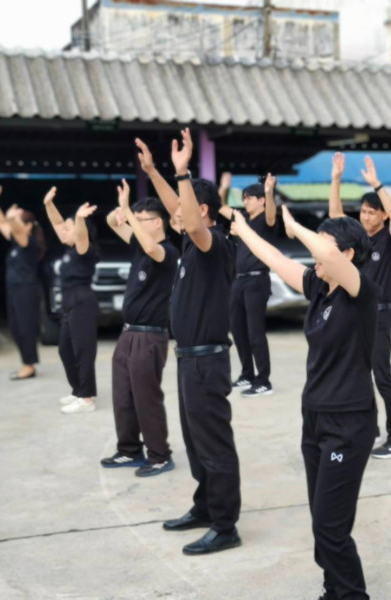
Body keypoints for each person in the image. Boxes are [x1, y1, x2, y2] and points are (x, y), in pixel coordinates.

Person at [232, 204, 376, 600]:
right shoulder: (318, 287)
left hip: (348, 424)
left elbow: (325, 252)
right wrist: (243, 228)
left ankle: (352, 595)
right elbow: (275, 259)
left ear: (348, 254)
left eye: (323, 248)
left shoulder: (360, 292)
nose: (315, 257)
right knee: (322, 521)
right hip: (314, 417)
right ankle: (333, 589)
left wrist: (294, 226)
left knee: (330, 525)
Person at [135, 131, 241, 555]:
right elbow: (181, 211)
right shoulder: (191, 243)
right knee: (196, 443)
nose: (175, 214)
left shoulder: (215, 245)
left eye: (184, 207)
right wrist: (152, 171)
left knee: (214, 444)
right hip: (188, 360)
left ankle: (225, 525)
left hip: (207, 362)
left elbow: (192, 221)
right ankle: (205, 506)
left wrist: (182, 171)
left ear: (204, 210)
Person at [329, 152, 391, 459]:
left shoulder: (389, 239)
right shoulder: (359, 240)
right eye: (362, 211)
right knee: (358, 375)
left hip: (379, 316)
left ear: (382, 216)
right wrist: (336, 179)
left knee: (382, 377)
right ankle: (369, 430)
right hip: (356, 315)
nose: (364, 217)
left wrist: (377, 184)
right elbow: (336, 218)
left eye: (371, 213)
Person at [101, 180, 179, 477]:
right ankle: (129, 450)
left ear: (158, 223)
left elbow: (150, 246)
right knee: (123, 396)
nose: (135, 224)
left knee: (146, 398)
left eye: (142, 219)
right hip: (128, 333)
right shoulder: (139, 247)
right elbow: (111, 222)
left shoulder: (167, 252)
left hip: (149, 337)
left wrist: (129, 214)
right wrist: (121, 210)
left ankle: (159, 455)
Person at [218, 172, 277, 397]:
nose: (245, 201)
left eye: (249, 198)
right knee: (238, 329)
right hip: (239, 280)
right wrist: (224, 187)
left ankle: (263, 380)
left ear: (261, 200)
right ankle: (247, 374)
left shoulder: (267, 220)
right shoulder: (242, 219)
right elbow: (220, 207)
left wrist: (269, 191)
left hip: (257, 280)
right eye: (243, 198)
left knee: (255, 331)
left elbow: (271, 212)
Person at [43, 187, 100, 414]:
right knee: (65, 350)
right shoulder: (69, 248)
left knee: (82, 351)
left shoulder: (84, 249)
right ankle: (78, 390)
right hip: (69, 302)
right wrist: (49, 204)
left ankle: (86, 398)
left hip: (83, 301)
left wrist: (79, 219)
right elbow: (58, 224)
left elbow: (81, 236)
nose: (64, 230)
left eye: (69, 228)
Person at [0, 185, 45, 380]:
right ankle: (26, 362)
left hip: (26, 291)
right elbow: (2, 222)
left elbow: (11, 223)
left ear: (28, 226)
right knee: (15, 328)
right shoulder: (15, 241)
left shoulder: (27, 242)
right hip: (14, 290)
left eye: (19, 220)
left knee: (26, 327)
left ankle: (29, 365)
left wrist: (13, 216)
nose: (14, 223)